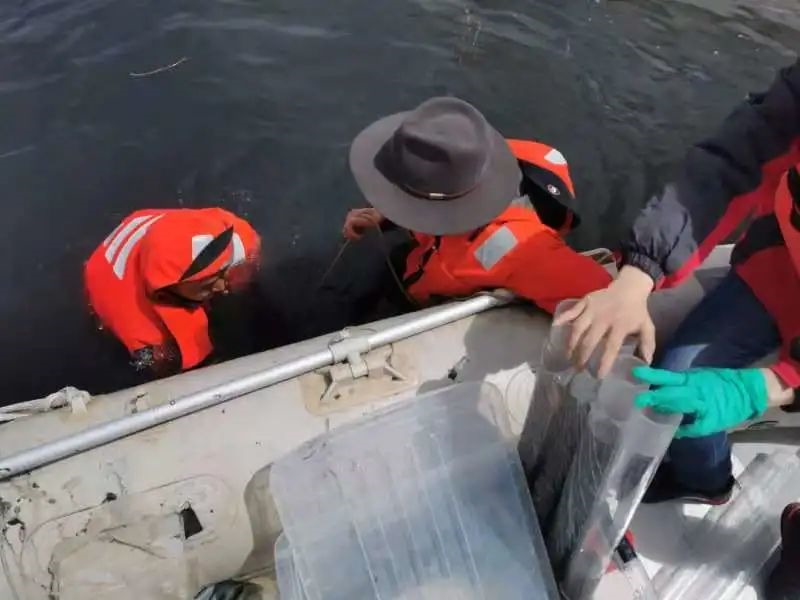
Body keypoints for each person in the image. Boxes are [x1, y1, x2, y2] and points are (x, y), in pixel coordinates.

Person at [342, 96, 611, 313]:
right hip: (434, 252)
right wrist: (383, 216)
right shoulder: (463, 156)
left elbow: (603, 298)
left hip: (453, 282)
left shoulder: (522, 252)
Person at [85, 207, 260, 376]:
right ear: (167, 291)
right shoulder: (143, 332)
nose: (222, 287)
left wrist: (241, 276)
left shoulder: (218, 226)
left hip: (142, 232)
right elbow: (188, 375)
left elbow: (252, 244)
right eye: (206, 286)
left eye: (222, 273)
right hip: (105, 282)